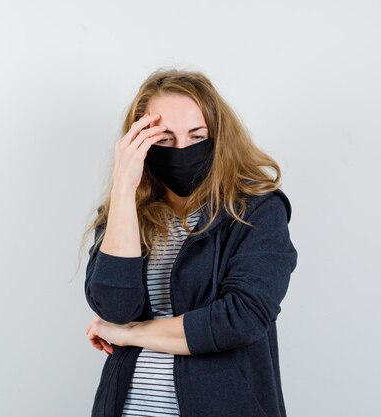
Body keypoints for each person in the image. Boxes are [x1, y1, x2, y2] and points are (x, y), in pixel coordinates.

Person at [83, 68, 298, 417]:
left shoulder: (256, 210)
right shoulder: (125, 215)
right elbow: (113, 307)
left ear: (219, 137)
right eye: (164, 140)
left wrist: (132, 334)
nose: (181, 150)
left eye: (197, 137)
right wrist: (123, 187)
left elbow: (240, 319)